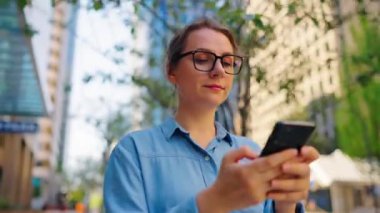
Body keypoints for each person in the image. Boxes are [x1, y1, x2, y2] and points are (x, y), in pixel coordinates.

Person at [103, 18, 319, 213]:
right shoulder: (133, 152)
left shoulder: (253, 154)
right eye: (203, 58)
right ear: (171, 71)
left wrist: (286, 203)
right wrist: (213, 202)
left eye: (227, 62)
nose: (219, 70)